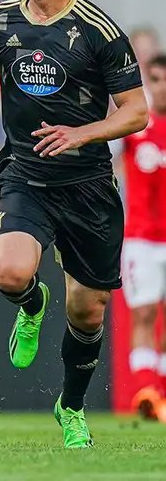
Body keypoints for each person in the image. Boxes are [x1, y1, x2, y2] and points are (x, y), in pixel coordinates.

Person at [0, 0, 149, 448]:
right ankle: (32, 305)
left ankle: (71, 406)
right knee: (11, 273)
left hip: (87, 184)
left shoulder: (101, 32)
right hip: (25, 175)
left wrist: (81, 134)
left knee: (88, 309)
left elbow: (136, 112)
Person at [121, 53, 166, 422]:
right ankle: (147, 391)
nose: (162, 86)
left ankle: (159, 393)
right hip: (141, 238)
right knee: (145, 312)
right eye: (156, 79)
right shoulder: (137, 126)